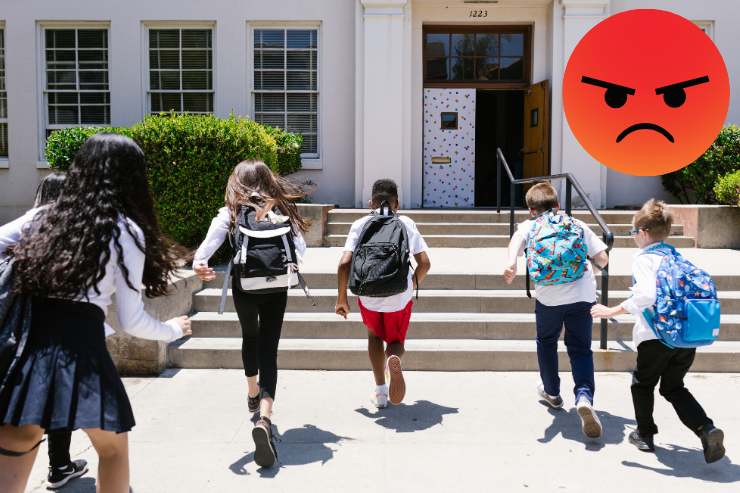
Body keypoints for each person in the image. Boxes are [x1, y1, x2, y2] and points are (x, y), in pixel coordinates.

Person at [0, 134, 191, 493]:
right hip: (83, 357)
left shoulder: (42, 216)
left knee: (16, 451)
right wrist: (171, 329)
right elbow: (133, 320)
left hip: (27, 358)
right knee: (113, 451)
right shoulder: (124, 230)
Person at [193, 159, 308, 469]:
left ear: (237, 181)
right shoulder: (282, 209)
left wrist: (200, 264)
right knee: (269, 348)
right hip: (276, 286)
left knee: (250, 337)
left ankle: (252, 392)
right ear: (268, 180)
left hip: (244, 284)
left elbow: (206, 248)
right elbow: (301, 250)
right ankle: (265, 419)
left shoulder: (231, 211)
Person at [591, 199, 725, 462]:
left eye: (633, 233)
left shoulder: (644, 259)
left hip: (655, 337)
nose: (633, 239)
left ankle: (644, 434)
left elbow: (646, 295)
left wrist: (612, 311)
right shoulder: (676, 257)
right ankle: (706, 429)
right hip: (685, 337)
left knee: (642, 385)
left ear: (642, 233)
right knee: (674, 387)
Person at [503, 182, 609, 439]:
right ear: (558, 205)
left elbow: (515, 245)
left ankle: (551, 392)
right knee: (581, 349)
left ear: (531, 210)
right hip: (583, 296)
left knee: (547, 342)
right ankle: (583, 397)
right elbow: (603, 258)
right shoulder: (576, 224)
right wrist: (589, 272)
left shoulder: (529, 226)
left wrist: (510, 266)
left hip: (549, 298)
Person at [335, 179, 431, 408]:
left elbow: (344, 264)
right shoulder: (406, 223)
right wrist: (411, 284)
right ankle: (393, 358)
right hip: (399, 295)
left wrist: (341, 300)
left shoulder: (360, 223)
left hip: (368, 294)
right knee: (396, 341)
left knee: (374, 337)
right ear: (397, 203)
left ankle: (380, 392)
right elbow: (425, 263)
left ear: (371, 202)